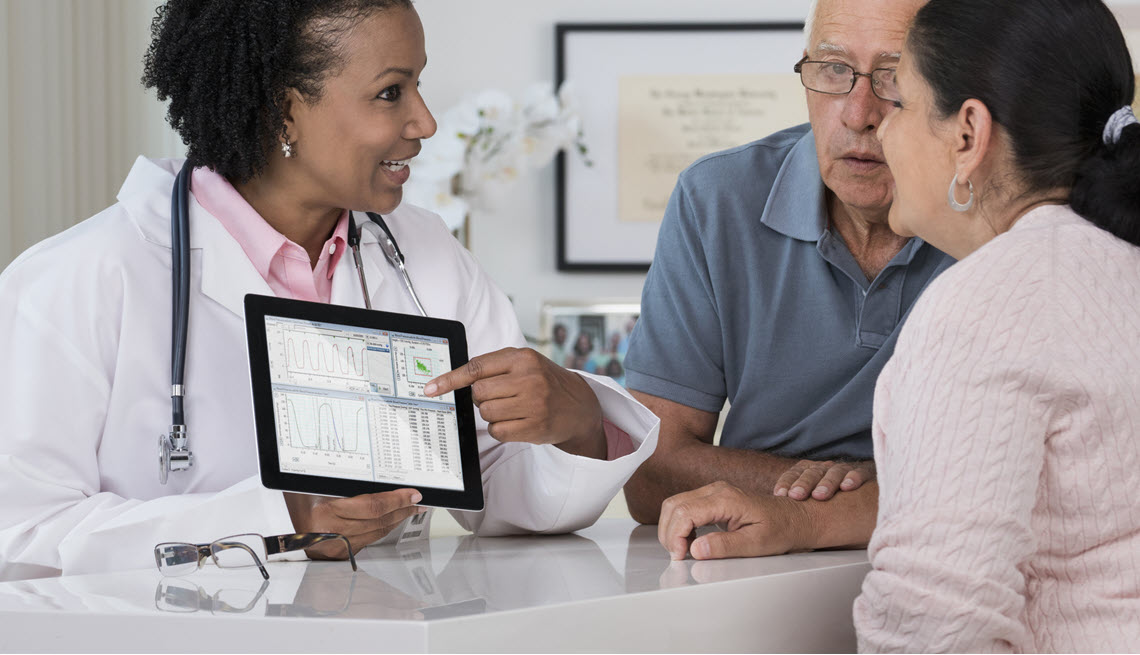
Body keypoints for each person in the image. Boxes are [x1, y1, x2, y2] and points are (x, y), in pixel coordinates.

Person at [0, 0, 658, 581]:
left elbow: (495, 486)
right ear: (287, 108)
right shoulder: (79, 280)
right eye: (391, 92)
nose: (425, 122)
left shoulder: (425, 256)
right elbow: (20, 540)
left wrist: (576, 423)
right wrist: (276, 517)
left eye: (417, 85)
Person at [660, 0, 1140, 650]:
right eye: (832, 71)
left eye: (900, 98)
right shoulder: (1117, 265)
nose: (873, 127)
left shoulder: (982, 303)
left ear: (967, 134)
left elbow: (935, 624)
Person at [621, 0, 953, 546]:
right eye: (833, 71)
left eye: (894, 78)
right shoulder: (716, 200)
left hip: (947, 552)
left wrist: (848, 503)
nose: (857, 113)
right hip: (753, 559)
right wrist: (843, 495)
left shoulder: (998, 215)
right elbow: (649, 474)